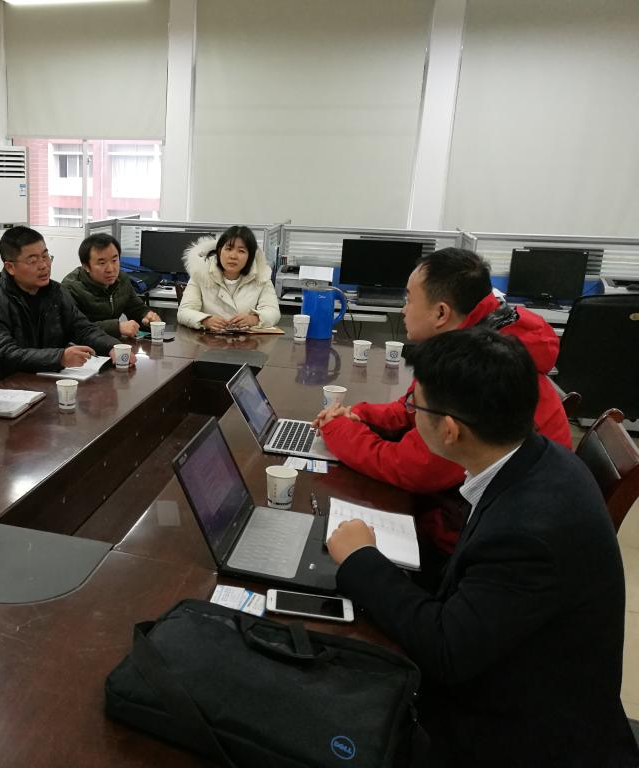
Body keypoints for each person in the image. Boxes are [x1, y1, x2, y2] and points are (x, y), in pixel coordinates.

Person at [326, 329, 638, 768]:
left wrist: (361, 559)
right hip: (518, 676)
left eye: (415, 407)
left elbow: (445, 650)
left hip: (519, 737)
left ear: (450, 430)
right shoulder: (536, 457)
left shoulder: (528, 533)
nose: (410, 413)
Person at [314, 247, 571, 553]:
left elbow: (412, 468)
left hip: (485, 536)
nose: (403, 309)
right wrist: (360, 415)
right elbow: (414, 406)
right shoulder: (475, 341)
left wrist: (338, 429)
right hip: (475, 507)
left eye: (409, 299)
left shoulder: (479, 369)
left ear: (441, 313)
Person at [0, 226, 123, 379]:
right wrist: (60, 357)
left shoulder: (55, 291)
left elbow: (82, 328)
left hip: (52, 378)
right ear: (10, 267)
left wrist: (112, 346)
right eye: (33, 261)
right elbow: (5, 354)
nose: (44, 265)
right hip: (12, 383)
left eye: (45, 256)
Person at [176, 225, 280, 331]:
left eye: (241, 251)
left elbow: (273, 312)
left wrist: (254, 319)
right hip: (208, 339)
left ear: (250, 256)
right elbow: (184, 312)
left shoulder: (261, 276)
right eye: (229, 249)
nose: (233, 256)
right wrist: (205, 320)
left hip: (246, 340)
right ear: (220, 251)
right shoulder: (201, 273)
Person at [62, 233, 160, 338]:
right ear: (86, 266)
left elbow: (136, 308)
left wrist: (147, 316)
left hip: (112, 343)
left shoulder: (122, 279)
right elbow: (74, 328)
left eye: (114, 260)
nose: (110, 269)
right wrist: (116, 328)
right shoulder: (71, 288)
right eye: (102, 263)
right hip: (83, 346)